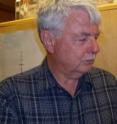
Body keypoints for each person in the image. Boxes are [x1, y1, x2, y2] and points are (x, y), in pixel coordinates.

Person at [0, 0, 117, 124]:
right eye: (82, 39)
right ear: (49, 41)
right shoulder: (11, 97)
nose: (95, 48)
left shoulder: (108, 84)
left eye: (96, 37)